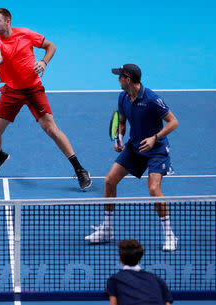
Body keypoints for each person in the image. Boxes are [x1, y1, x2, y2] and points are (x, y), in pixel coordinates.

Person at [0, 8, 91, 191]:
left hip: (33, 89)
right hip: (11, 91)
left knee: (51, 129)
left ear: (8, 22)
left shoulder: (26, 34)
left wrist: (44, 62)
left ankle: (79, 169)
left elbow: (51, 46)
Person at [85, 64, 179, 251]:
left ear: (128, 80)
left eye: (120, 77)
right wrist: (119, 139)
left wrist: (155, 138)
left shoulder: (152, 99)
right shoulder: (123, 97)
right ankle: (107, 229)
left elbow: (173, 122)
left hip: (156, 149)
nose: (117, 79)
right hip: (135, 147)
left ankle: (170, 235)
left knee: (153, 189)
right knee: (110, 180)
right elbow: (121, 122)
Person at [106, 239, 173, 305]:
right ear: (140, 258)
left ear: (120, 259)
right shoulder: (157, 279)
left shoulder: (114, 280)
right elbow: (167, 302)